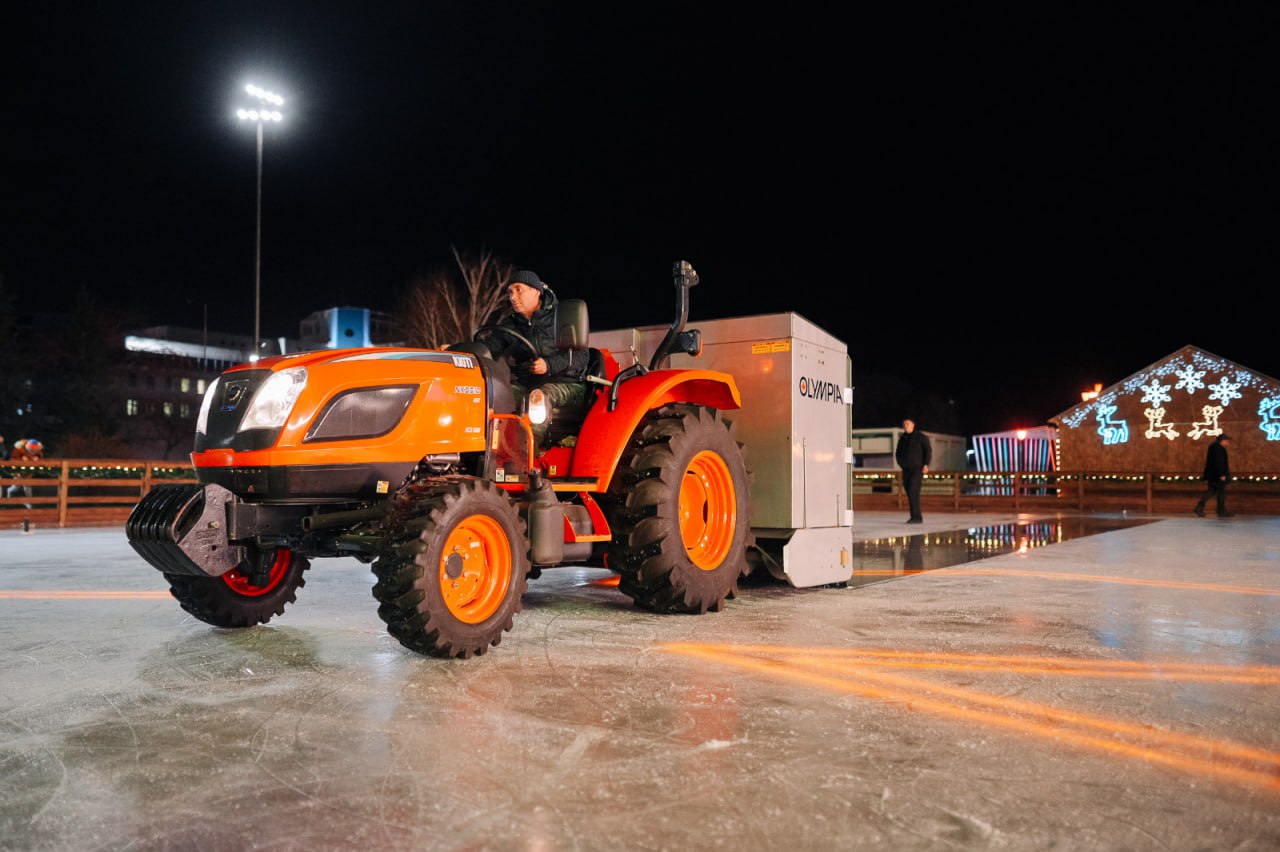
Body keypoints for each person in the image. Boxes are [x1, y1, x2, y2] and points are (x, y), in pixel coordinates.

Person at [497, 270, 590, 444]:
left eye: (518, 289)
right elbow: (489, 347)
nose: (512, 297)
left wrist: (549, 365)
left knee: (538, 396)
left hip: (567, 384)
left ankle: (526, 456)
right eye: (510, 292)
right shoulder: (511, 324)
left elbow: (582, 355)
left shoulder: (561, 317)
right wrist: (460, 350)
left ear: (536, 291)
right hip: (528, 383)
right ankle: (487, 453)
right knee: (497, 395)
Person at [895, 418, 932, 524]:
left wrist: (926, 464)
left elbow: (928, 451)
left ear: (913, 425)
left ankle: (916, 516)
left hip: (917, 468)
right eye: (904, 424)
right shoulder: (902, 438)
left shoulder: (921, 437)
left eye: (907, 423)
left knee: (913, 490)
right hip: (906, 469)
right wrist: (901, 463)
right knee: (909, 492)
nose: (905, 426)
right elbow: (898, 453)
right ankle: (914, 516)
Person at [1194, 434, 1233, 518]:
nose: (1228, 443)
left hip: (1212, 475)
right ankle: (1221, 511)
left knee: (1211, 491)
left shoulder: (1213, 447)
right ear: (1223, 440)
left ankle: (1199, 507)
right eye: (1227, 441)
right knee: (1221, 493)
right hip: (1217, 475)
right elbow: (1219, 462)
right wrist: (1221, 474)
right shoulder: (1219, 449)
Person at [6, 437, 44, 507]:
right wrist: (21, 456)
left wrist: (37, 456)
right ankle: (10, 494)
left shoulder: (37, 448)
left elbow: (40, 453)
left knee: (27, 485)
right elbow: (13, 456)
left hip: (28, 470)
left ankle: (29, 502)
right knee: (16, 486)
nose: (32, 452)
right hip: (18, 470)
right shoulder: (19, 448)